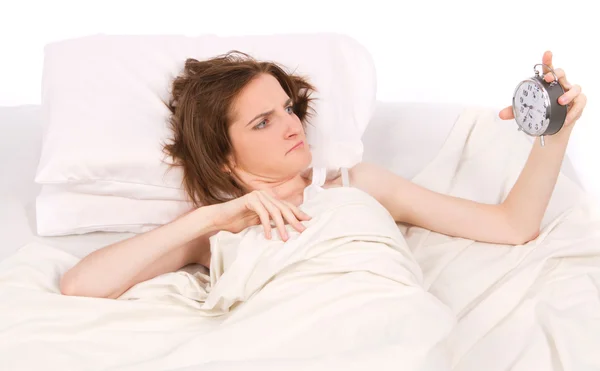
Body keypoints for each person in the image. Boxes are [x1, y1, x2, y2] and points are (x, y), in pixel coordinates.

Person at [60, 50, 587, 299]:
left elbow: (512, 226)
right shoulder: (216, 227)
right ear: (223, 155)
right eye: (263, 121)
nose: (291, 125)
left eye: (288, 109)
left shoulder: (357, 185)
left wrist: (555, 131)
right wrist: (215, 218)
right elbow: (81, 285)